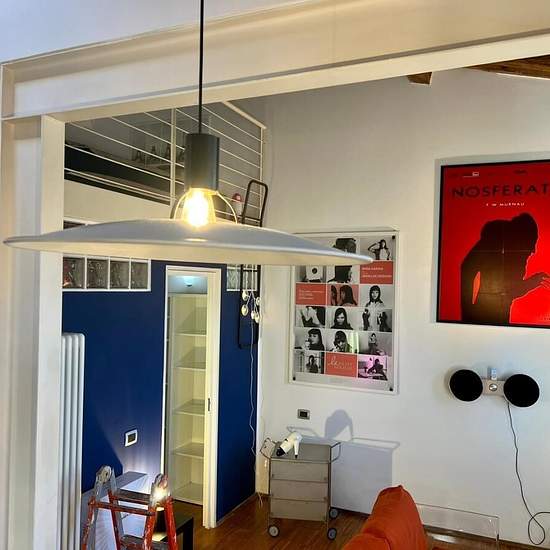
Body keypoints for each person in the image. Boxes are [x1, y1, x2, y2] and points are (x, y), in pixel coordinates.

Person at [461, 213, 550, 325]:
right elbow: (467, 267)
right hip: (485, 318)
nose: (533, 250)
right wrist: (467, 312)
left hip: (498, 320)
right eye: (532, 242)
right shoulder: (496, 247)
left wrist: (532, 282)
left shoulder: (514, 256)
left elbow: (509, 292)